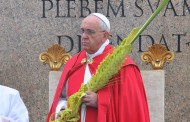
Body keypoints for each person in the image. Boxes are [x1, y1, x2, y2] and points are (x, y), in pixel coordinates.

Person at [47, 13, 150, 122]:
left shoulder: (122, 64)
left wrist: (100, 101)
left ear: (105, 36)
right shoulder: (74, 62)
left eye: (90, 32)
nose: (84, 36)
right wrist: (62, 109)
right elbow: (62, 97)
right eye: (83, 31)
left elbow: (131, 109)